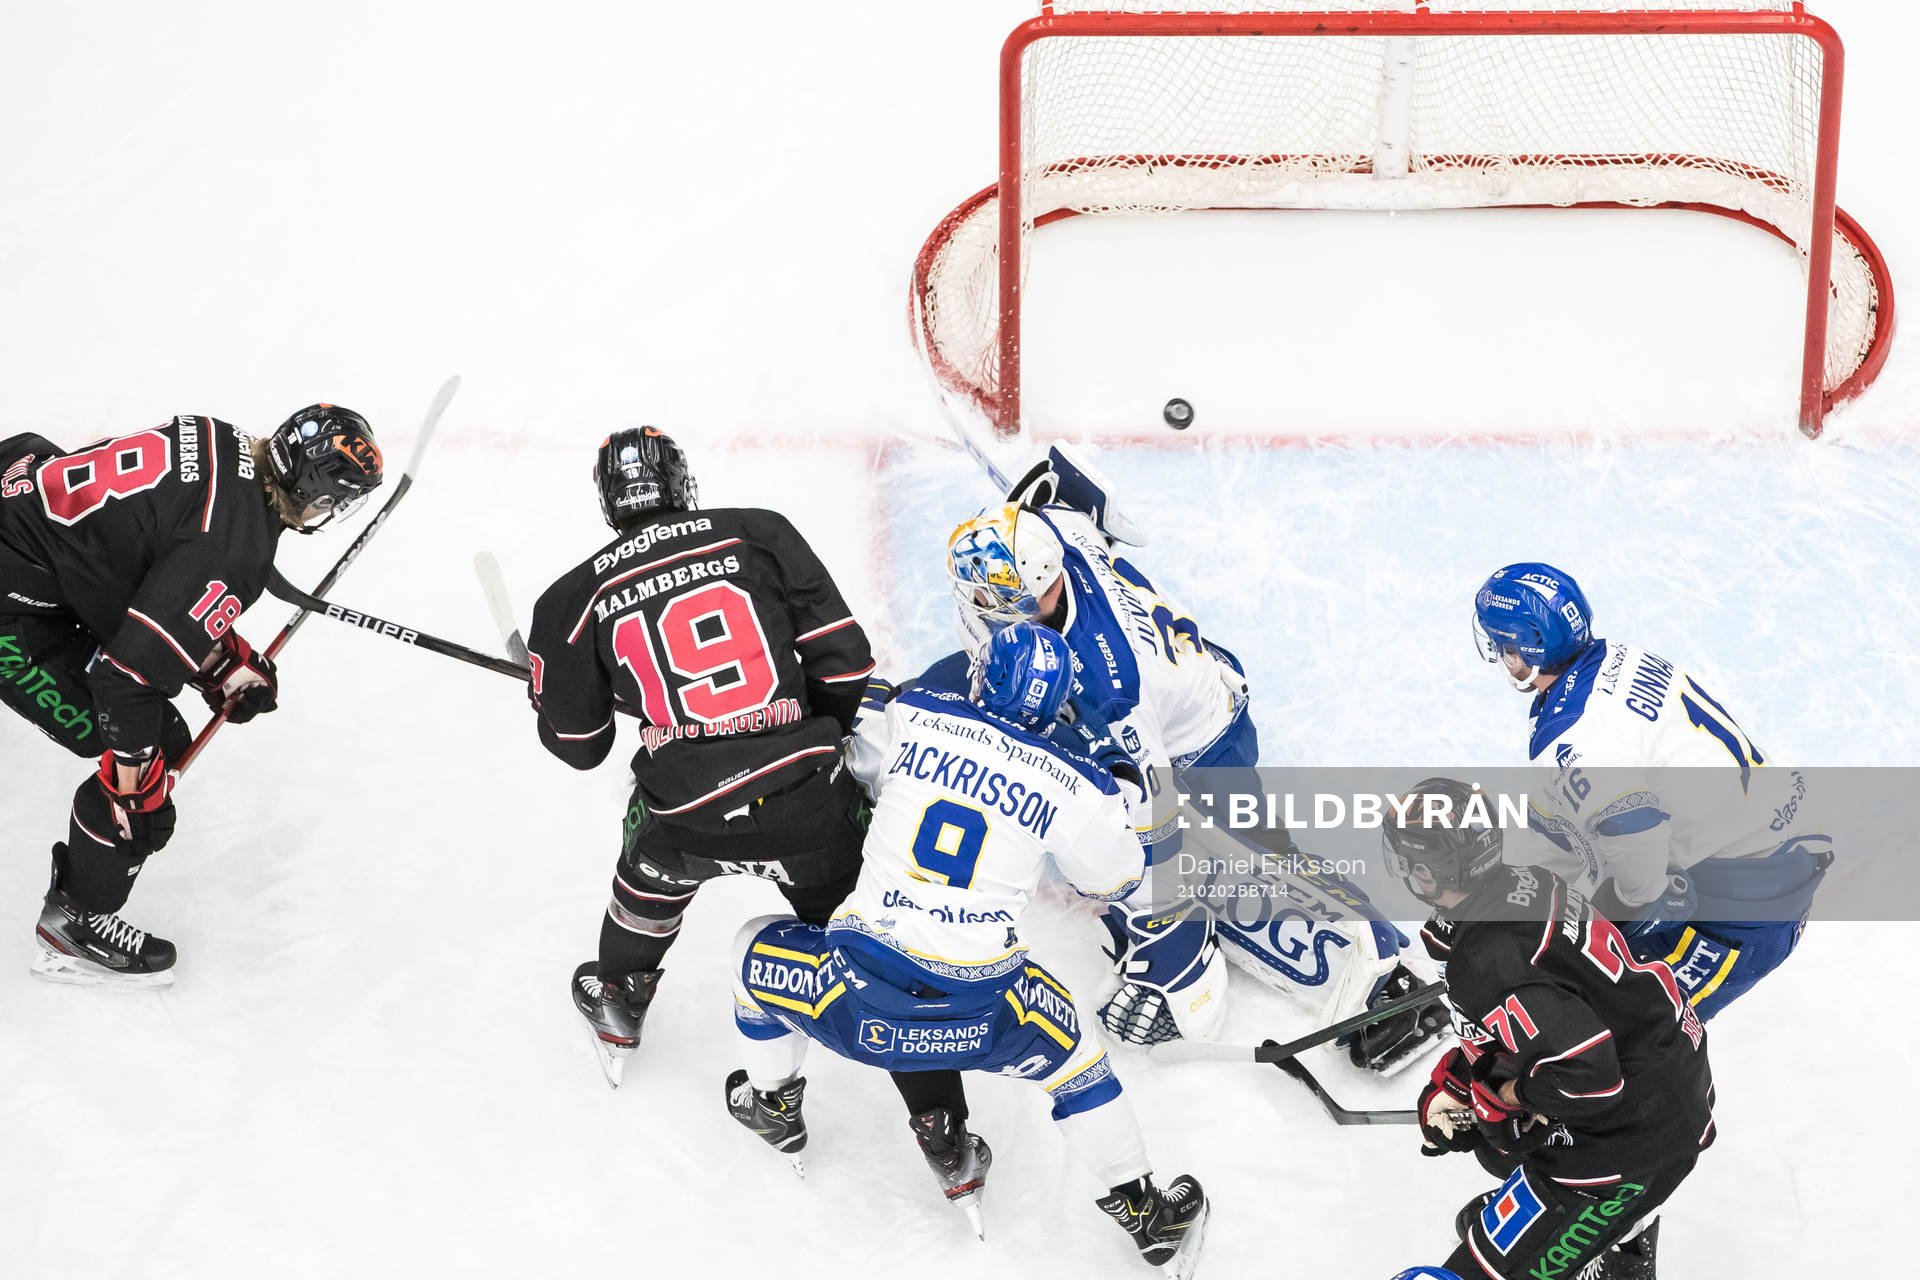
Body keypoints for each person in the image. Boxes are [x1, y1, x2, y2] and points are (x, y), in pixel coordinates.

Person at [724, 623, 1208, 1275]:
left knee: (748, 947)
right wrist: (1112, 798)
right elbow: (1117, 882)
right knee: (1079, 1062)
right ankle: (1144, 1209)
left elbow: (856, 776)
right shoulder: (1076, 781)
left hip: (853, 992)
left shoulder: (915, 712)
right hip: (985, 1010)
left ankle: (774, 1103)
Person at [945, 445, 1441, 1072]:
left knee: (1254, 859)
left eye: (1032, 602)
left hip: (1205, 740)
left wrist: (1159, 912)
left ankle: (1390, 985)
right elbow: (1077, 497)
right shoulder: (1056, 536)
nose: (1024, 615)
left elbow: (1151, 813)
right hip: (1180, 684)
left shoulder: (1108, 691)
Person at [526, 427, 875, 1086]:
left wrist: (555, 698)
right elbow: (847, 659)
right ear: (680, 482)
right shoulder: (758, 532)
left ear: (609, 501)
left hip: (688, 821)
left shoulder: (570, 600)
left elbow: (581, 746)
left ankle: (620, 997)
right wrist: (811, 732)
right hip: (806, 800)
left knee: (647, 840)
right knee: (855, 918)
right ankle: (928, 1103)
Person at [0, 406, 384, 986]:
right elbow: (125, 678)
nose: (332, 512)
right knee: (149, 748)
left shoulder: (218, 437)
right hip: (13, 603)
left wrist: (216, 658)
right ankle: (72, 928)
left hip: (20, 504)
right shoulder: (236, 551)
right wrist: (133, 785)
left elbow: (134, 555)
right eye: (337, 498)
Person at [1472, 562, 1831, 1019]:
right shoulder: (1614, 657)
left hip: (1748, 906)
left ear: (1530, 647)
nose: (1500, 655)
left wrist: (1614, 912)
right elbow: (1565, 818)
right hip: (1778, 842)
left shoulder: (1572, 732)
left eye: (1502, 645)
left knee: (1619, 1037)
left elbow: (1636, 845)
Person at [1389, 778, 1713, 1280]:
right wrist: (1465, 1078)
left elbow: (1589, 1078)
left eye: (1412, 863)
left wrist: (1503, 1096)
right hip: (1671, 1072)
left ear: (1432, 870)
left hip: (1633, 1137)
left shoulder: (1487, 961)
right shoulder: (1526, 881)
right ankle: (1607, 1230)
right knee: (1498, 1146)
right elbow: (1557, 1009)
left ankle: (1604, 1224)